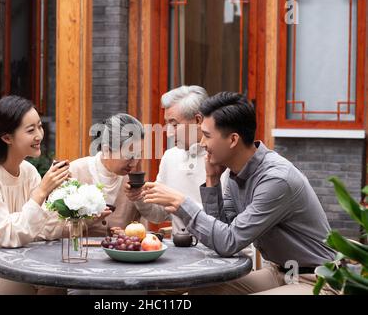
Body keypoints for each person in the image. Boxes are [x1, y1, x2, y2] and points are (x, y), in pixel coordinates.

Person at [142, 92, 337, 295]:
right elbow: (222, 233)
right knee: (203, 289)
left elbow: (229, 242)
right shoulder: (236, 172)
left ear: (233, 139)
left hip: (317, 280)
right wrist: (212, 182)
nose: (201, 144)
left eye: (207, 136)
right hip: (279, 273)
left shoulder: (276, 180)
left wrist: (181, 203)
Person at [0, 96, 111, 295]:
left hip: (11, 265)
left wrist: (82, 220)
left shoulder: (28, 171)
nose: (39, 134)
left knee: (54, 284)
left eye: (40, 126)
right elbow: (7, 235)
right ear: (7, 138)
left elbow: (38, 230)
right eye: (30, 130)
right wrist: (42, 192)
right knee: (26, 289)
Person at [124, 86, 229, 236]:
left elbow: (226, 222)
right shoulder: (170, 157)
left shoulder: (224, 158)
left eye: (174, 124)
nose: (169, 134)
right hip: (181, 250)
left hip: (218, 250)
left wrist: (180, 202)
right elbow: (159, 215)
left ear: (198, 120)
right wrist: (140, 197)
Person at [68, 113, 166, 236]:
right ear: (105, 150)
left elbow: (149, 224)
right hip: (78, 254)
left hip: (120, 254)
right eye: (129, 156)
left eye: (138, 155)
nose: (134, 163)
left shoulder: (133, 181)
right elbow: (55, 229)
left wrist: (129, 235)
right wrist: (86, 222)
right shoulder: (74, 173)